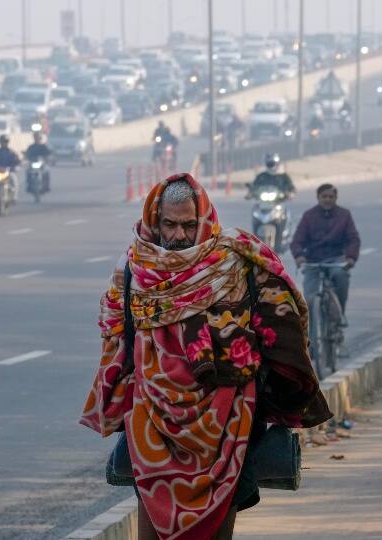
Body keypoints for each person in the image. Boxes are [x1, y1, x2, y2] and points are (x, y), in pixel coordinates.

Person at [81, 174, 331, 540]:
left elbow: (282, 322)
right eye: (170, 224)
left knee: (219, 528)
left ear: (204, 219)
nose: (180, 234)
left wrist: (286, 390)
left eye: (188, 224)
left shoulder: (236, 259)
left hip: (228, 419)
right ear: (155, 219)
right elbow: (115, 335)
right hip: (152, 416)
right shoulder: (134, 268)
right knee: (152, 517)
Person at [290, 183, 361, 321]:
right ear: (318, 198)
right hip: (313, 261)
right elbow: (297, 240)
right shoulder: (309, 216)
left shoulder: (344, 215)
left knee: (341, 277)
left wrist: (351, 257)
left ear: (336, 198)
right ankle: (311, 336)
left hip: (336, 259)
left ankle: (339, 315)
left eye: (331, 196)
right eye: (324, 196)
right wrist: (299, 256)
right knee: (309, 298)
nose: (327, 199)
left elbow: (353, 239)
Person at [0, 135, 21, 200]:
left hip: (8, 172)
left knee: (14, 180)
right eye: (3, 141)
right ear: (0, 142)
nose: (4, 143)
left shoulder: (12, 152)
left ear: (8, 142)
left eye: (5, 141)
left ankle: (14, 197)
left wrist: (15, 166)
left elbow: (17, 161)